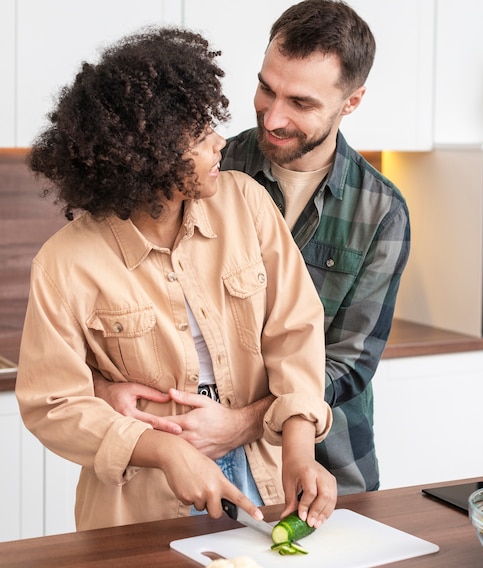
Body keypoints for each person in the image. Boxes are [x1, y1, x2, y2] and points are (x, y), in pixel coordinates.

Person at [15, 26, 336, 532]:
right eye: (198, 135)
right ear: (148, 158)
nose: (220, 142)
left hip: (259, 472)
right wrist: (162, 449)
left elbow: (296, 332)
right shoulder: (64, 264)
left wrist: (300, 450)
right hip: (139, 497)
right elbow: (52, 404)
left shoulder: (247, 203)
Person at [95, 0, 410, 495]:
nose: (274, 116)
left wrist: (244, 421)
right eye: (266, 88)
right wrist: (104, 388)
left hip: (327, 468)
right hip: (197, 465)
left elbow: (348, 363)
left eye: (302, 103)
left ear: (351, 101)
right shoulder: (199, 166)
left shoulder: (381, 211)